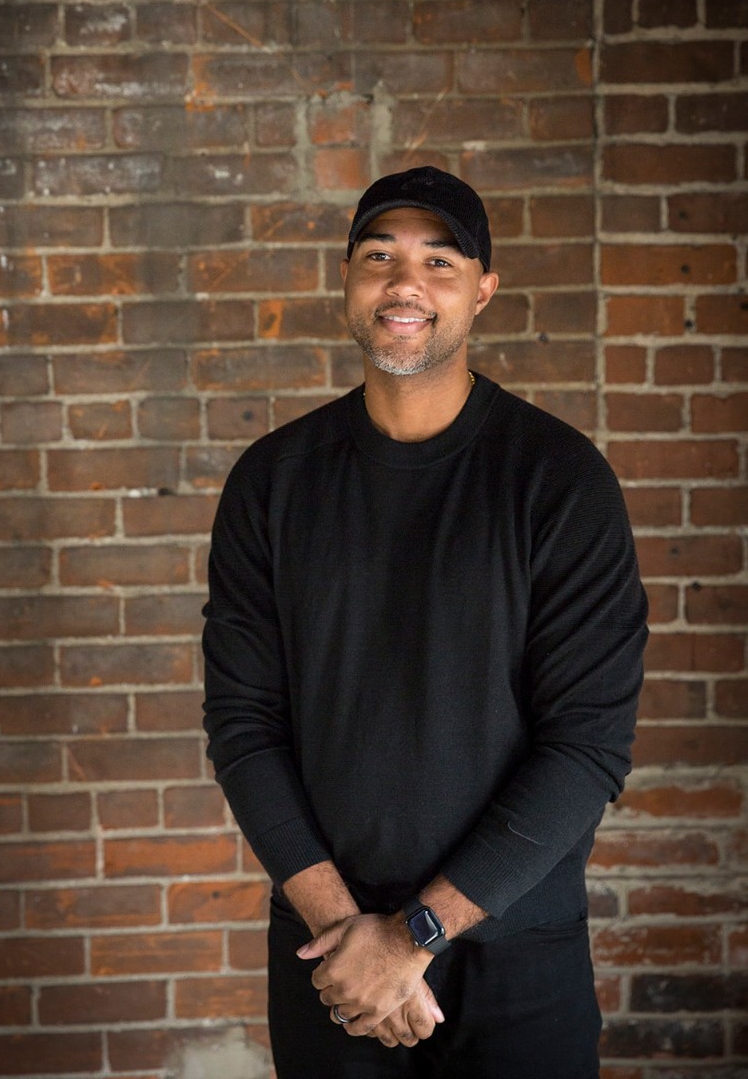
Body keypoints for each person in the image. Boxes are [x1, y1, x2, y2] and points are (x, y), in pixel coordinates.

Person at [202, 166, 647, 1078]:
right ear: (347, 281)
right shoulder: (272, 481)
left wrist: (413, 937)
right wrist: (350, 937)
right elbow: (244, 725)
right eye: (379, 256)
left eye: (439, 261)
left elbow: (587, 744)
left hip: (516, 954)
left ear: (482, 291)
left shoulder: (559, 481)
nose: (404, 283)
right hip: (329, 954)